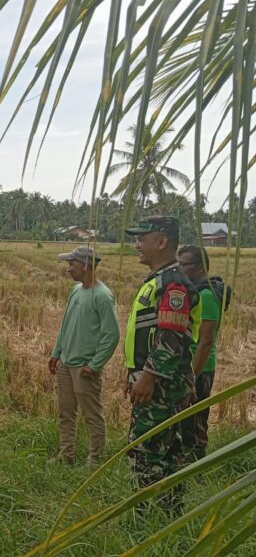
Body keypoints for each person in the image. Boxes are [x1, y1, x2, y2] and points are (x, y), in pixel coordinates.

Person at [124, 216, 201, 509]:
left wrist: (148, 376)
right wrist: (133, 373)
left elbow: (170, 339)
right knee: (160, 448)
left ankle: (149, 515)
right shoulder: (158, 281)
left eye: (142, 238)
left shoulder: (173, 284)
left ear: (162, 241)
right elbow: (147, 334)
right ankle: (163, 511)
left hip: (163, 386)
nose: (137, 244)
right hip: (151, 380)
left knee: (149, 450)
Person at [48, 245, 119, 465]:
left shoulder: (103, 296)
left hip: (84, 368)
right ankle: (66, 455)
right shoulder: (76, 290)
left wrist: (95, 365)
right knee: (66, 413)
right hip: (66, 364)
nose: (68, 269)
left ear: (85, 265)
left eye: (72, 264)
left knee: (92, 416)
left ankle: (94, 460)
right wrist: (56, 353)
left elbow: (112, 335)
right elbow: (66, 325)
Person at [177, 245, 223, 461]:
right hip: (189, 366)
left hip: (199, 368)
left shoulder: (206, 295)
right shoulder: (195, 291)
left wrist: (192, 377)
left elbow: (205, 342)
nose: (179, 268)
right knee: (184, 420)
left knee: (194, 421)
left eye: (183, 264)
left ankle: (196, 468)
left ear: (200, 267)